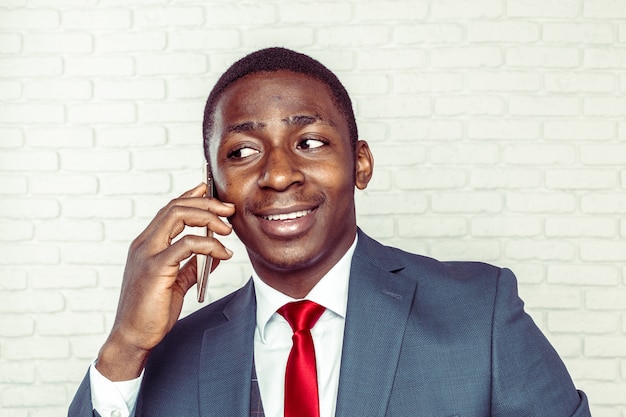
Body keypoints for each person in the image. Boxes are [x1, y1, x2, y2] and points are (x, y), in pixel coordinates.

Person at [69, 47, 591, 417]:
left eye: (311, 142)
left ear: (361, 163)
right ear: (211, 190)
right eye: (243, 153)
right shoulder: (159, 359)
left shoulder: (481, 312)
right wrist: (125, 346)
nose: (277, 174)